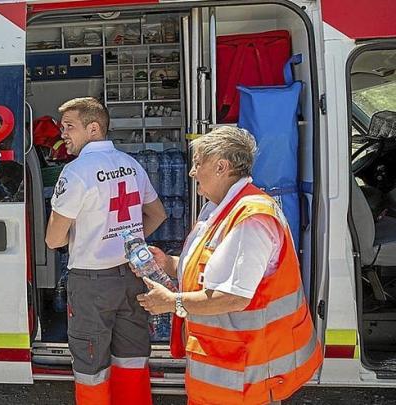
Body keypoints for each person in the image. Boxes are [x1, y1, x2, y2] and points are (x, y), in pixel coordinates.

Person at [135, 126, 323, 405]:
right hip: (227, 371)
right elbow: (209, 271)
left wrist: (172, 303)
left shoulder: (251, 218)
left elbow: (233, 296)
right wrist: (170, 264)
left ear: (222, 166)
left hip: (246, 377)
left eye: (198, 163)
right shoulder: (219, 207)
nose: (192, 172)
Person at [45, 97, 167, 405]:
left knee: (91, 368)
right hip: (132, 276)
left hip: (91, 284)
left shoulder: (76, 172)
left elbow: (53, 240)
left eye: (69, 127)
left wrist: (93, 238)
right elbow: (157, 214)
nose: (63, 134)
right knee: (132, 359)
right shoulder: (131, 164)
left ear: (94, 128)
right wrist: (128, 240)